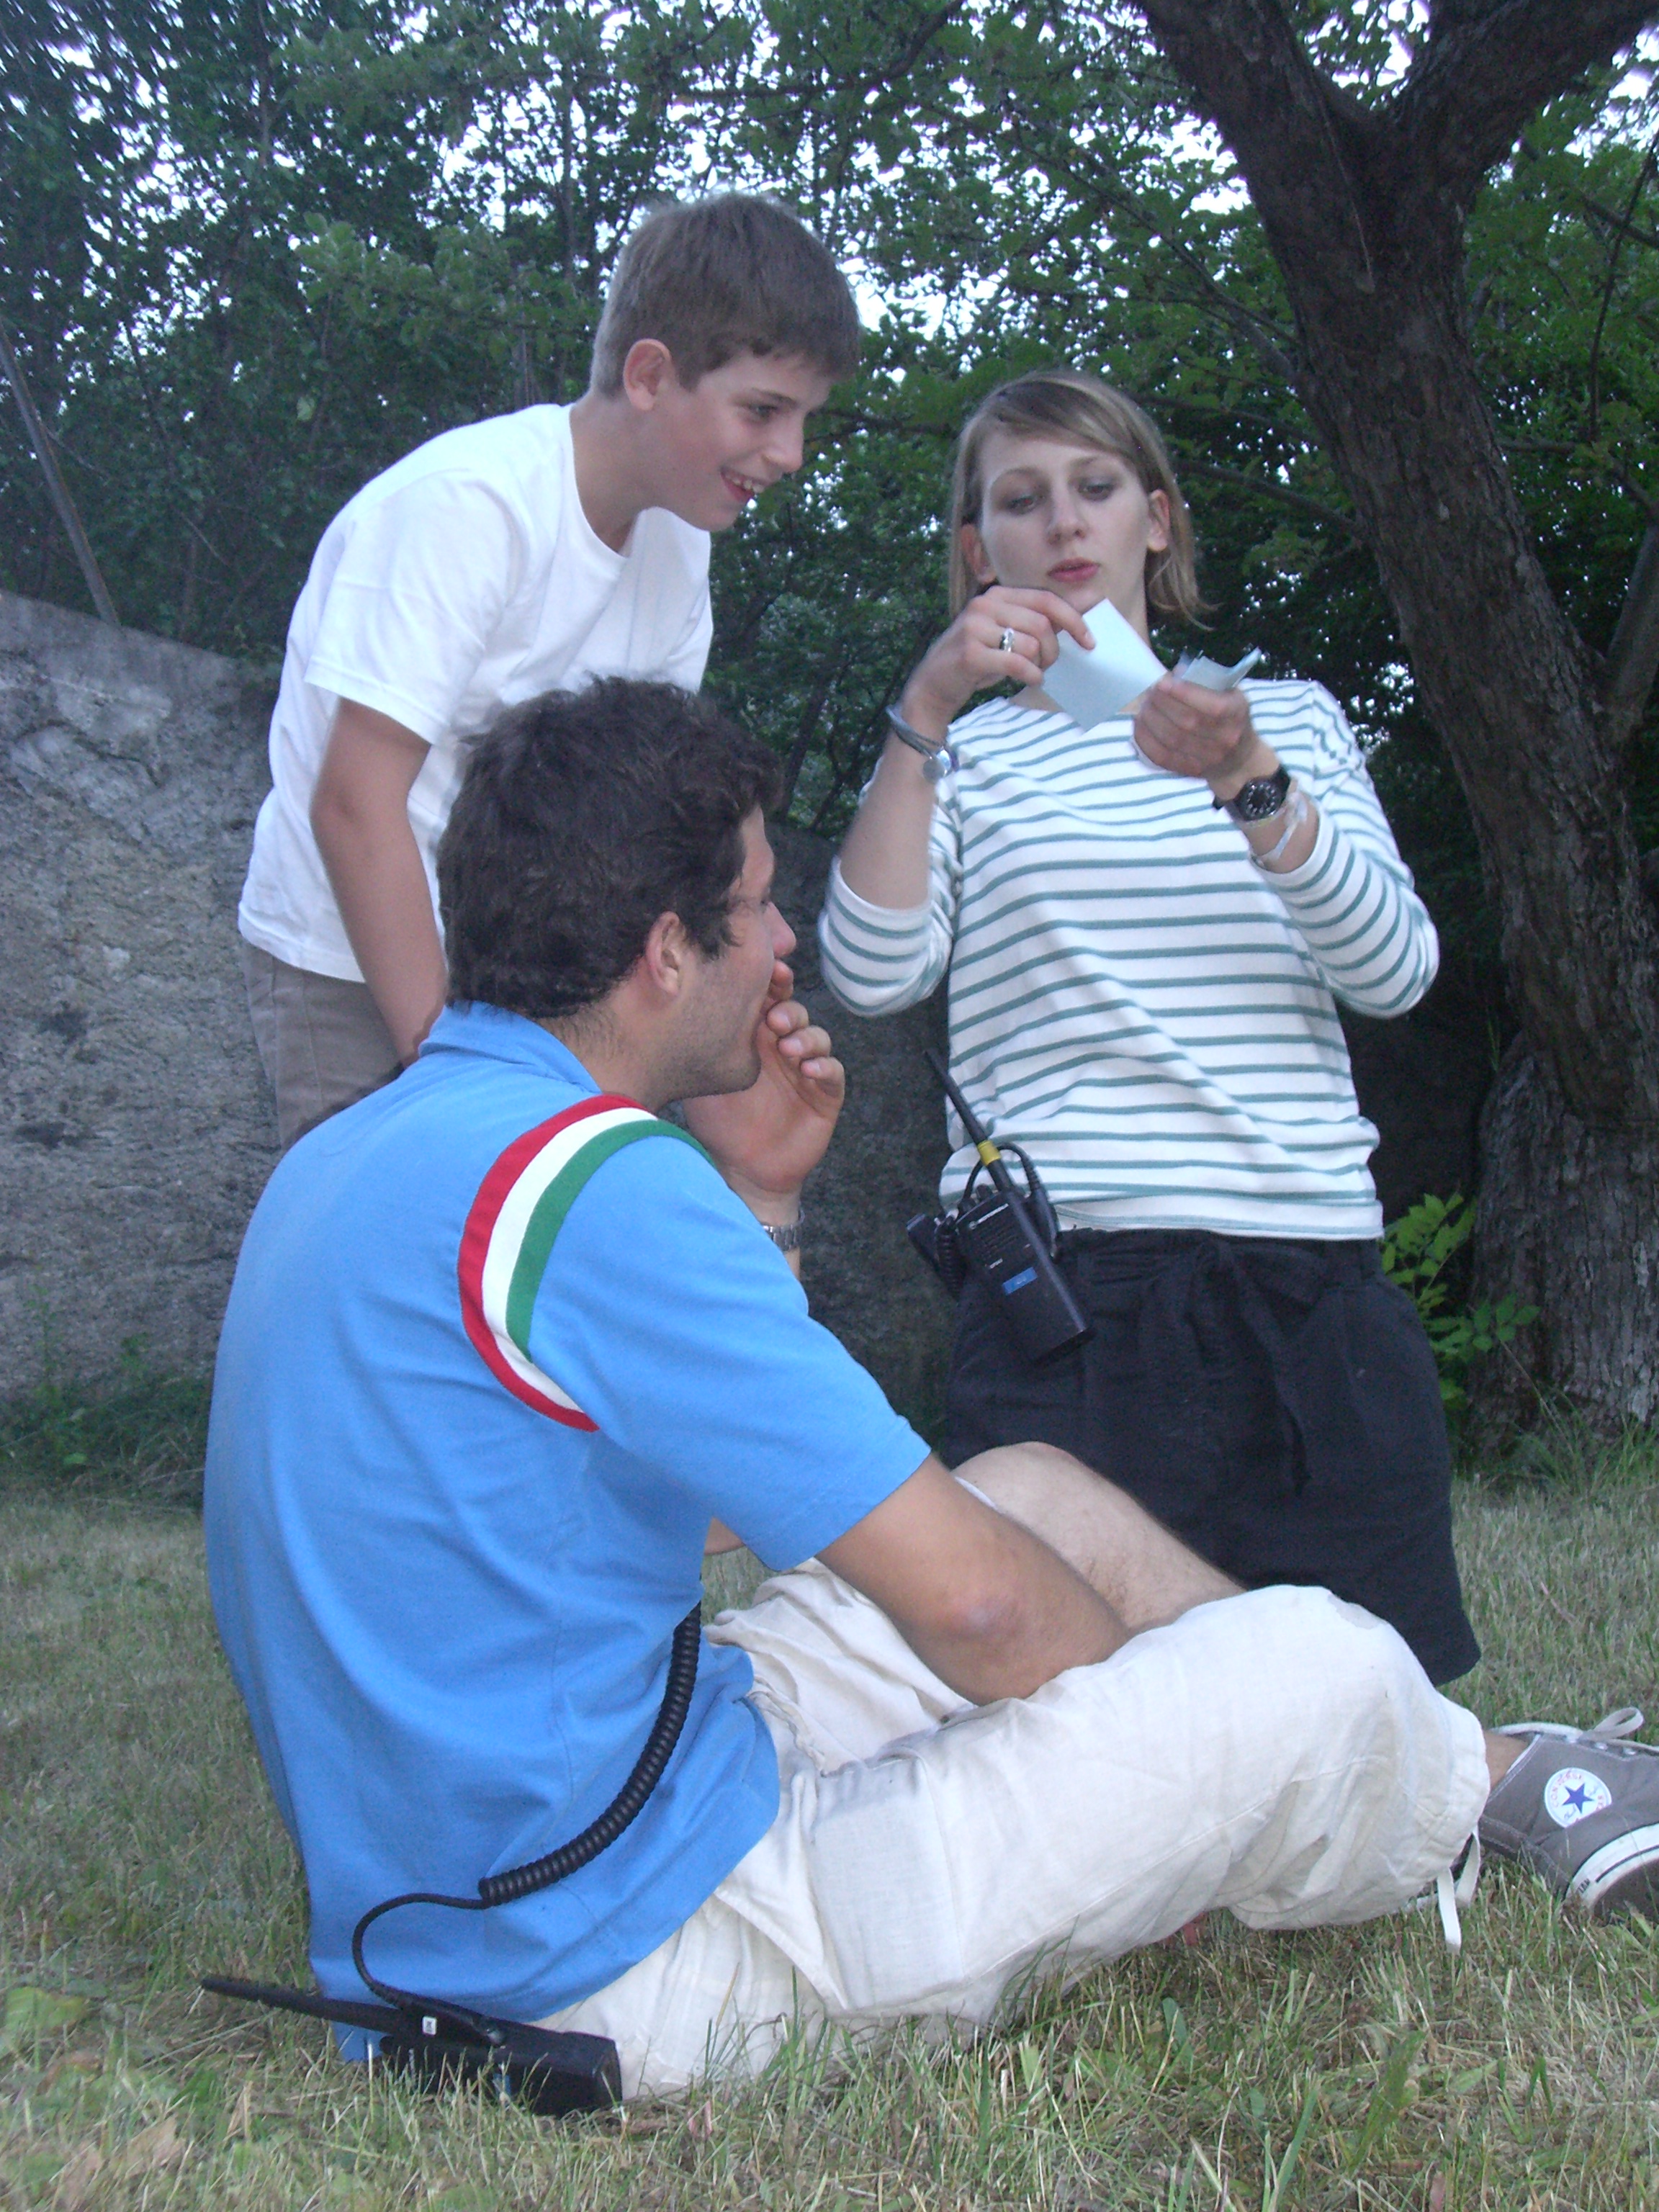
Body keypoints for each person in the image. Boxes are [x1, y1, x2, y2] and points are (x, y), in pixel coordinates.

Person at [204, 676, 1659, 2103]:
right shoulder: (595, 1182)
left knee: (1028, 1488)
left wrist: (766, 1194)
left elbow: (688, 1519)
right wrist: (1161, 1778)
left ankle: (1463, 1766)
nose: (788, 942)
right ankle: (1501, 1790)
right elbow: (979, 1609)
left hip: (531, 1860)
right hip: (630, 1951)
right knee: (1312, 1664)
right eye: (760, 905)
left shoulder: (370, 1148)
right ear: (665, 953)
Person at [818, 367, 1477, 1687]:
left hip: (1305, 1265)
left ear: (1157, 520)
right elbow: (872, 973)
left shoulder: (1286, 722)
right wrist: (922, 714)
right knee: (1083, 1705)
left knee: (1369, 1694)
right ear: (977, 551)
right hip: (1072, 1286)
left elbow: (1396, 972)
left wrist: (1245, 778)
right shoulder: (962, 756)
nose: (1064, 522)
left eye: (1097, 486)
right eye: (1021, 499)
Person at [235, 192, 859, 1149]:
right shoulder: (471, 506)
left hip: (526, 992)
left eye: (804, 418)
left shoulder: (677, 547)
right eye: (763, 410)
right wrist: (454, 1076)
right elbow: (353, 805)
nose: (790, 454)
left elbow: (646, 826)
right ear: (650, 376)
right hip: (352, 957)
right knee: (405, 1222)